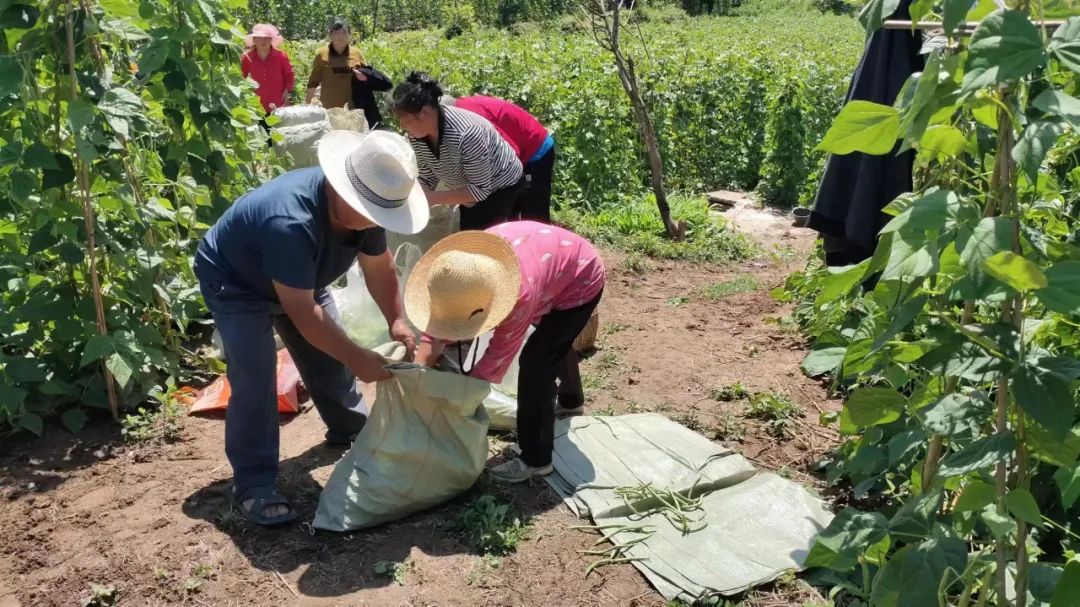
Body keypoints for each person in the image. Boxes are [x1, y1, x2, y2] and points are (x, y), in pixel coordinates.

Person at [193, 130, 430, 525]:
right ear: (343, 191)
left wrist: (396, 319)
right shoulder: (290, 219)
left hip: (302, 279)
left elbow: (378, 266)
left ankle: (350, 428)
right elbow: (302, 314)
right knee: (254, 377)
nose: (375, 224)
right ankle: (252, 485)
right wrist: (358, 358)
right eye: (371, 215)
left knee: (327, 358)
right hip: (237, 283)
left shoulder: (372, 202)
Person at [407, 221, 605, 483]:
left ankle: (536, 458)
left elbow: (496, 358)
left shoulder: (518, 293)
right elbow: (435, 332)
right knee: (553, 343)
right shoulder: (458, 275)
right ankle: (571, 402)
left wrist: (460, 402)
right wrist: (415, 379)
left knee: (537, 362)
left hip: (581, 279)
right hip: (551, 267)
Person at [392, 72, 524, 231]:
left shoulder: (467, 134)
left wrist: (433, 198)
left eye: (405, 121)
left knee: (484, 238)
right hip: (468, 185)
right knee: (468, 230)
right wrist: (415, 195)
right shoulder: (417, 135)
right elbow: (427, 177)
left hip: (500, 185)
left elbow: (479, 191)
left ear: (424, 113)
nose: (403, 127)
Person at [444, 94, 556, 223]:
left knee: (534, 215)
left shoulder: (470, 120)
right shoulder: (456, 115)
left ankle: (541, 241)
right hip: (519, 148)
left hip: (536, 148)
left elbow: (510, 154)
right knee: (510, 215)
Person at [305, 18, 366, 111]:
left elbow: (367, 79)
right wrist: (307, 105)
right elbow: (313, 82)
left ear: (349, 35)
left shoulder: (357, 53)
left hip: (353, 108)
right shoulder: (321, 54)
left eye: (344, 32)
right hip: (328, 109)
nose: (340, 36)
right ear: (330, 35)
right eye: (337, 33)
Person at [241, 23, 295, 115]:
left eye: (267, 38)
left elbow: (289, 75)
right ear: (254, 40)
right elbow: (241, 76)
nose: (263, 41)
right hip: (256, 105)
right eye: (260, 38)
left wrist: (286, 93)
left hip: (278, 102)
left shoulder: (281, 56)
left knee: (277, 128)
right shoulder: (247, 57)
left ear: (271, 40)